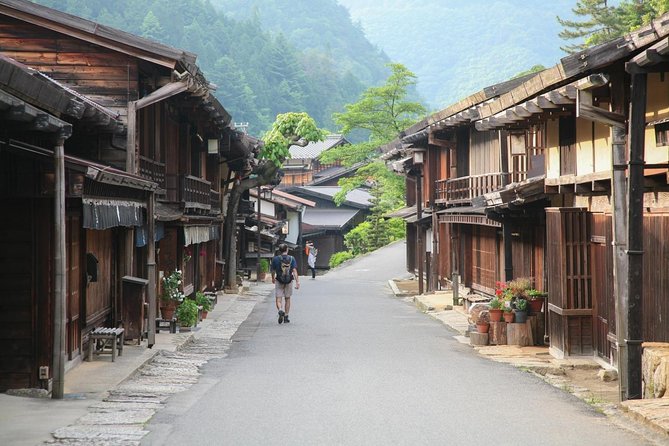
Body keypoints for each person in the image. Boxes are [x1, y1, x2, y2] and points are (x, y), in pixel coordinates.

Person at [271, 243, 300, 324]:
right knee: (287, 299)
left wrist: (273, 278)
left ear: (279, 250)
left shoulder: (275, 259)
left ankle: (280, 310)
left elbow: (273, 271)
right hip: (289, 281)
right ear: (287, 249)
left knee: (278, 298)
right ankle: (286, 316)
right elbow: (294, 270)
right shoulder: (292, 258)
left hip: (279, 280)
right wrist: (297, 281)